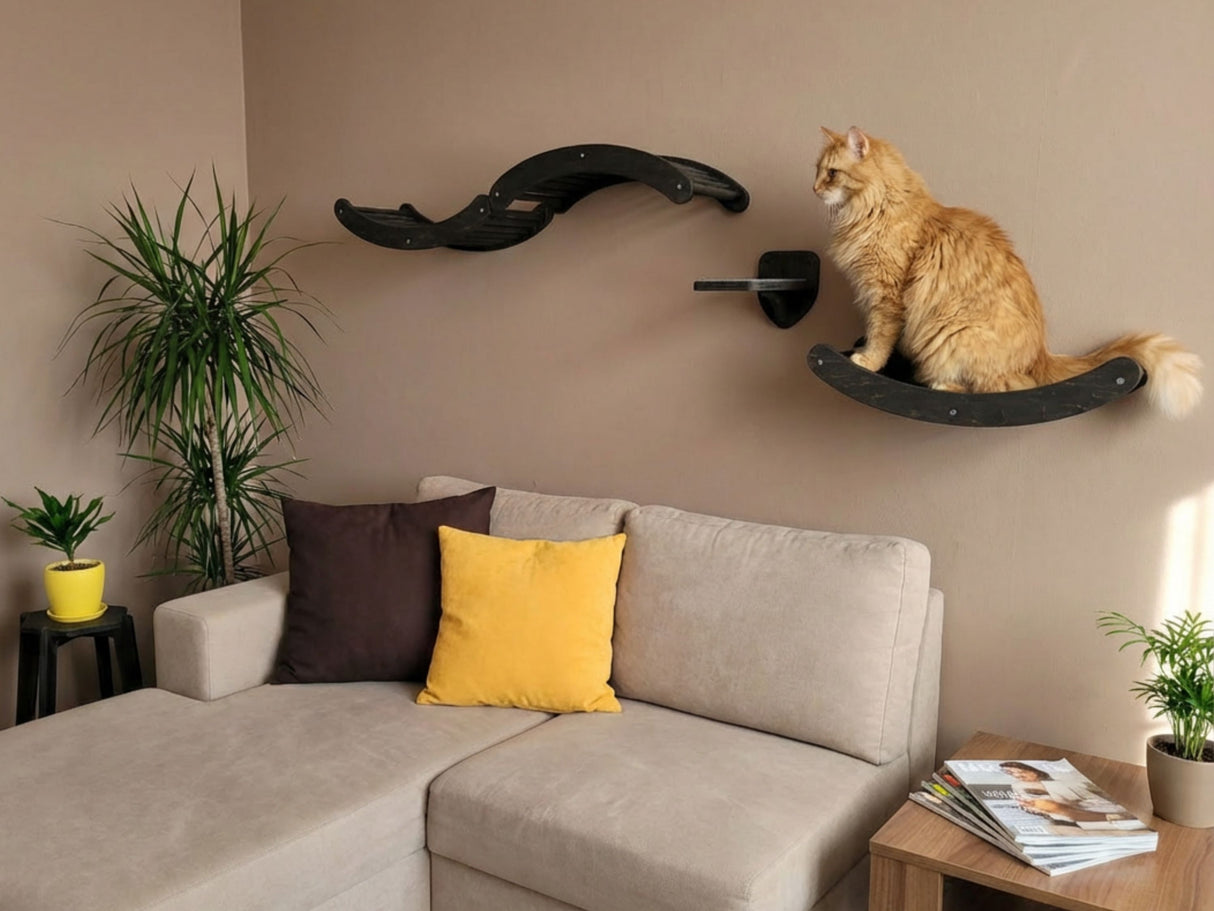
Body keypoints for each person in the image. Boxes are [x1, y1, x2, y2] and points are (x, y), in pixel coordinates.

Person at [999, 761, 1136, 826]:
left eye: (1020, 771)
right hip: (1065, 816)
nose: (1017, 775)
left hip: (1089, 806)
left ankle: (1114, 816)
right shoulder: (1019, 786)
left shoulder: (1064, 781)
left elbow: (1076, 798)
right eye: (1011, 773)